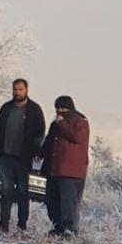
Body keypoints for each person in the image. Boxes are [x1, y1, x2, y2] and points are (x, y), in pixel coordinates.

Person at [0, 79, 46, 232]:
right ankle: (3, 224)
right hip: (5, 157)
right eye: (15, 89)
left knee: (23, 191)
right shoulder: (6, 108)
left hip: (23, 158)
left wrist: (35, 150)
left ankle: (22, 224)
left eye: (20, 89)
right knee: (6, 190)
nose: (17, 92)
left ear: (26, 90)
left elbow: (40, 132)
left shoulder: (34, 110)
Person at [43, 96, 90, 236]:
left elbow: (77, 138)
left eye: (62, 108)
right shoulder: (55, 124)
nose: (59, 111)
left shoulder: (81, 122)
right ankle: (58, 227)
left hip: (71, 171)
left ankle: (70, 229)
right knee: (51, 201)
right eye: (57, 108)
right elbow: (49, 141)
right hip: (54, 169)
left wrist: (62, 124)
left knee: (68, 202)